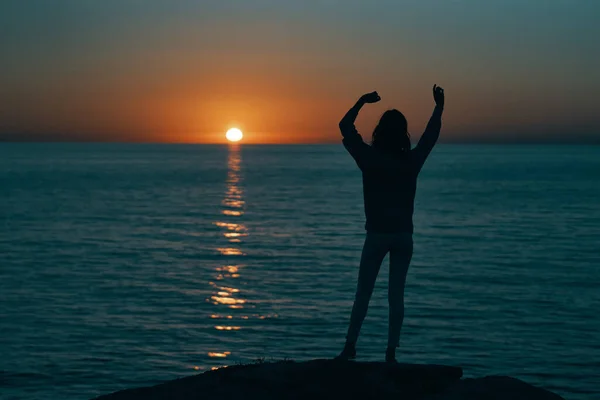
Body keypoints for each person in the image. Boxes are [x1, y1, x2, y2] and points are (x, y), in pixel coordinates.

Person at [336, 85, 445, 363]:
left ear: (379, 132)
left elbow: (345, 126)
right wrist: (438, 107)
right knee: (396, 295)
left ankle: (350, 347)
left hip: (376, 235)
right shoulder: (411, 162)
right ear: (403, 134)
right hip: (403, 237)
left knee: (364, 292)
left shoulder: (369, 159)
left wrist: (361, 101)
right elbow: (430, 137)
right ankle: (391, 353)